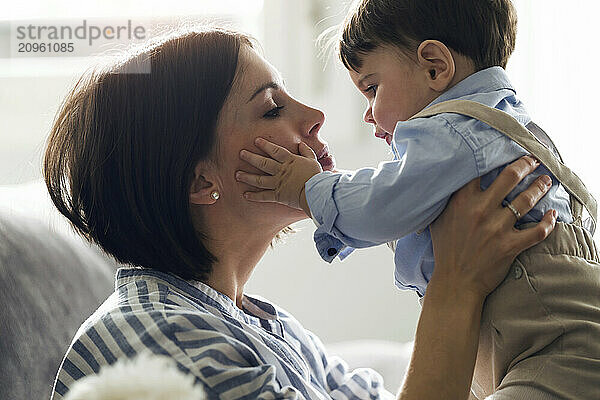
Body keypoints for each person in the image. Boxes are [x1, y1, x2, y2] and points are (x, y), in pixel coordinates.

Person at [45, 27, 556, 400]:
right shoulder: (162, 341)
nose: (315, 117)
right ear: (201, 181)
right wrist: (456, 285)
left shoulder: (260, 324)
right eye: (271, 108)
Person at [235, 1, 600, 398]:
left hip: (555, 343)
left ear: (434, 67)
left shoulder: (456, 129)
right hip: (525, 341)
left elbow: (380, 207)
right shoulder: (490, 123)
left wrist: (307, 189)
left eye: (372, 89)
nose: (368, 115)